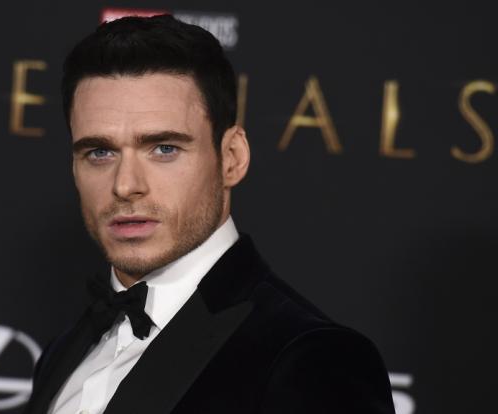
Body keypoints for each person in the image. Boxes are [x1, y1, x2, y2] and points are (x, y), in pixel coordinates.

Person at [24, 14, 394, 414]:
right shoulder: (63, 353)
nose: (125, 185)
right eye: (100, 152)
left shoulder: (313, 360)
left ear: (232, 157)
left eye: (164, 148)